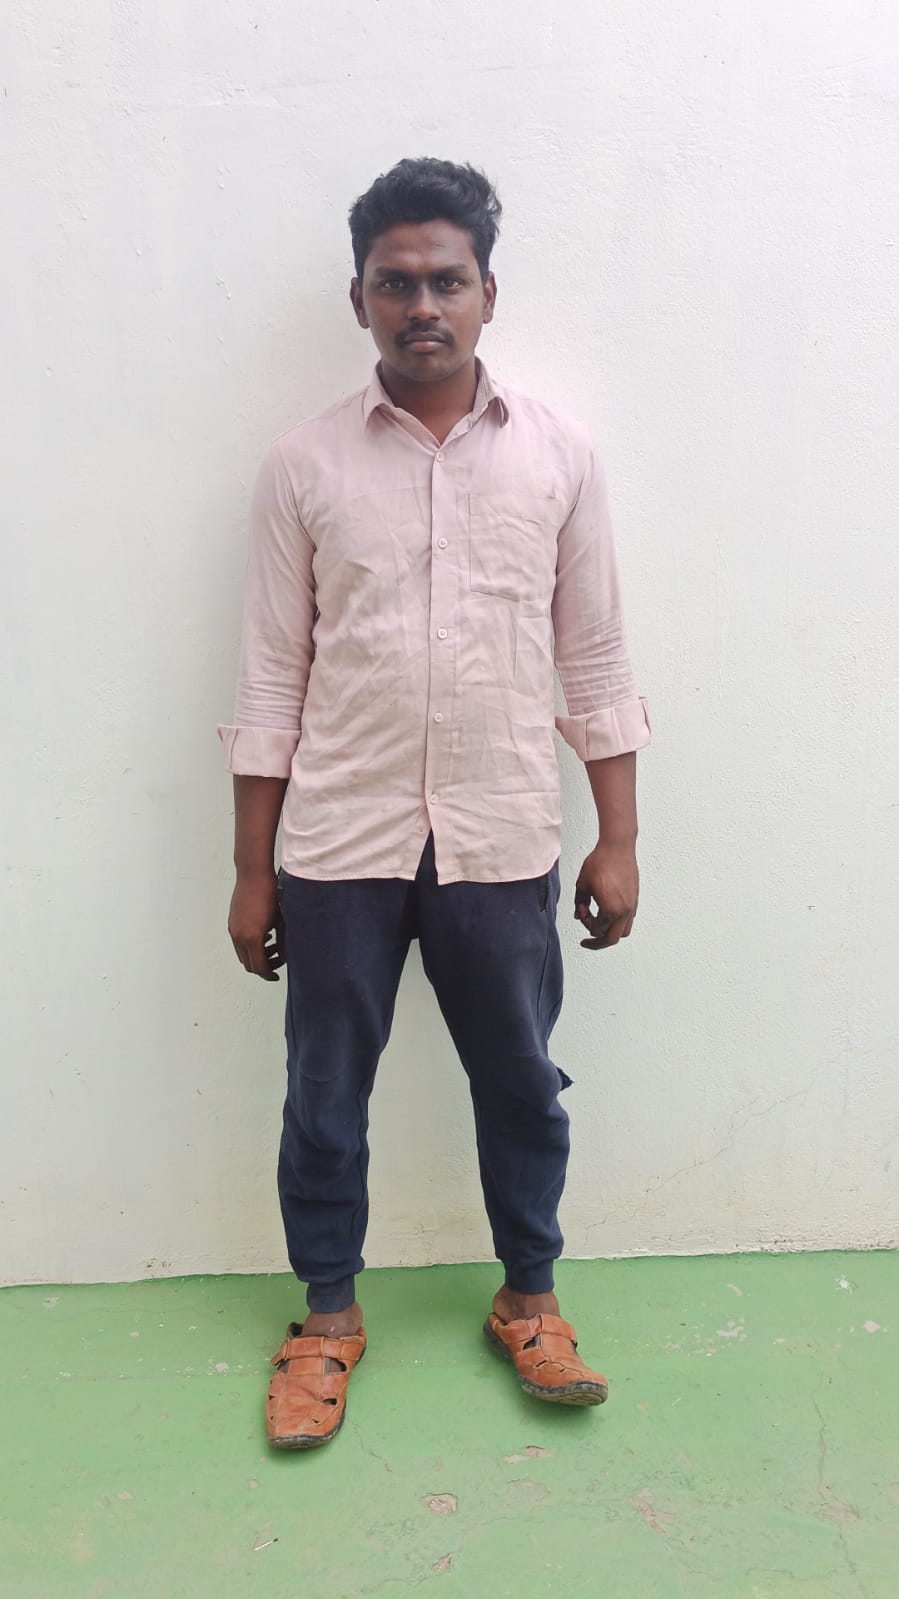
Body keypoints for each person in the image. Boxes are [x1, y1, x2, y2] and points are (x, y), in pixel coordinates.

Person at [218, 157, 650, 1451]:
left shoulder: (559, 457)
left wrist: (620, 838)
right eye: (395, 283)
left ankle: (530, 1298)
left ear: (487, 293)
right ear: (359, 300)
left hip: (502, 831)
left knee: (521, 1081)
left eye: (446, 281)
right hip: (339, 839)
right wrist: (252, 869)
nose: (423, 305)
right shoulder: (303, 467)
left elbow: (595, 657)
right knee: (324, 1091)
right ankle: (327, 1317)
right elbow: (270, 675)